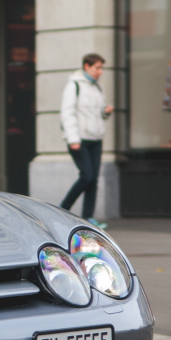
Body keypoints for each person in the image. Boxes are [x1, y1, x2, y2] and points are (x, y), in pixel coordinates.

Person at [60, 54, 114, 228]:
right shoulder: (74, 85)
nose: (100, 72)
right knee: (87, 176)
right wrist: (73, 139)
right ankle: (63, 209)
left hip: (96, 138)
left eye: (101, 68)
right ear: (86, 66)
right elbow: (67, 113)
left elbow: (98, 114)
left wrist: (105, 112)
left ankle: (88, 217)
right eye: (97, 67)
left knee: (93, 179)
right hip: (79, 139)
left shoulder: (97, 87)